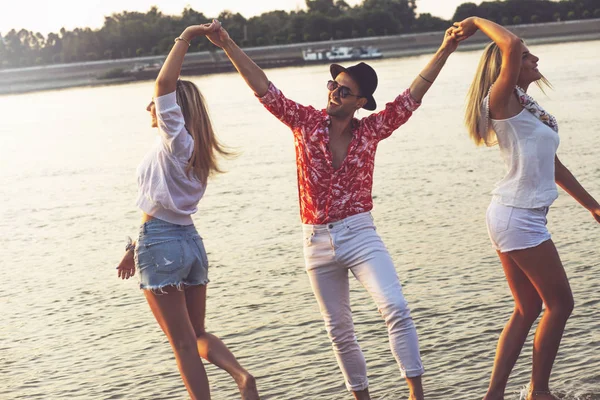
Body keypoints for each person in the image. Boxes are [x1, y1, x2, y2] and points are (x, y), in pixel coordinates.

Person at [205, 20, 461, 400]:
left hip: (359, 233)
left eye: (344, 90)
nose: (334, 93)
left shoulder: (372, 130)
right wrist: (226, 43)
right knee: (338, 329)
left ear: (360, 102)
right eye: (332, 85)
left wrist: (445, 49)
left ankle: (415, 395)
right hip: (315, 240)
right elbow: (264, 88)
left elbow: (413, 96)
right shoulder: (305, 123)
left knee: (395, 306)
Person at [453, 16, 600, 400]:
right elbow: (511, 44)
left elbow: (552, 164)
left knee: (528, 307)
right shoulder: (499, 100)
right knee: (560, 304)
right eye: (527, 56)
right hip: (516, 215)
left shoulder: (526, 104)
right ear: (508, 66)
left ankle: (494, 396)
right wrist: (474, 19)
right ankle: (539, 391)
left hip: (517, 214)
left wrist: (592, 207)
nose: (534, 59)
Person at [116, 21, 259, 400]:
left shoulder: (176, 142)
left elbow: (163, 86)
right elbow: (162, 204)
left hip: (163, 245)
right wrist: (133, 246)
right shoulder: (195, 152)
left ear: (174, 112)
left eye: (159, 106)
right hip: (189, 243)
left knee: (181, 345)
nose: (151, 105)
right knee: (195, 336)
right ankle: (242, 377)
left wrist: (186, 35)